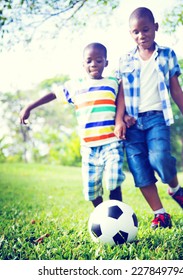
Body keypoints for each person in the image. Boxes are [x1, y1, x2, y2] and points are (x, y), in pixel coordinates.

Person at [114, 7, 183, 229]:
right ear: (130, 34)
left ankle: (175, 189)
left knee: (160, 158)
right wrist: (119, 120)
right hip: (132, 124)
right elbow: (121, 92)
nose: (141, 35)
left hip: (157, 119)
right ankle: (160, 214)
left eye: (145, 29)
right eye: (135, 32)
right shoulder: (124, 60)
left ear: (155, 27)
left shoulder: (167, 54)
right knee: (139, 170)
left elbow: (176, 89)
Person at [20, 42, 125, 208]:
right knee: (91, 190)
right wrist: (29, 107)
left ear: (106, 63)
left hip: (111, 141)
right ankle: (102, 214)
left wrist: (125, 118)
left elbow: (123, 100)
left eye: (99, 60)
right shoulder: (75, 85)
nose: (94, 65)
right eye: (89, 61)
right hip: (88, 147)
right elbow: (53, 95)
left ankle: (116, 204)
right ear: (83, 64)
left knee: (113, 179)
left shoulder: (113, 82)